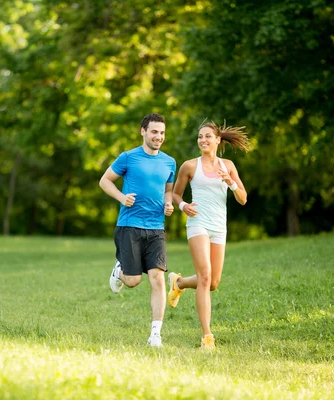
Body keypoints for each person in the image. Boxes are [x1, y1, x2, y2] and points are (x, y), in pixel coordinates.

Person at [168, 120, 250, 349]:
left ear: (217, 140)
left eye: (207, 136)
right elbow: (176, 194)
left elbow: (243, 199)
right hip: (198, 224)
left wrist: (230, 182)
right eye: (200, 136)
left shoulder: (229, 166)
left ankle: (179, 282)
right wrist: (184, 206)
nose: (202, 140)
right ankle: (207, 336)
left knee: (213, 282)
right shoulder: (190, 166)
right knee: (204, 276)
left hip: (219, 227)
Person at [99, 113, 176, 348]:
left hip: (156, 229)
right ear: (143, 131)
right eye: (154, 132)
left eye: (162, 133)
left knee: (157, 279)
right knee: (132, 281)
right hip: (129, 226)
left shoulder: (169, 162)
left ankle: (155, 335)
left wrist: (169, 203)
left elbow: (168, 191)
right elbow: (105, 181)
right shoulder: (128, 158)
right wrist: (122, 197)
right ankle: (119, 272)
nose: (158, 137)